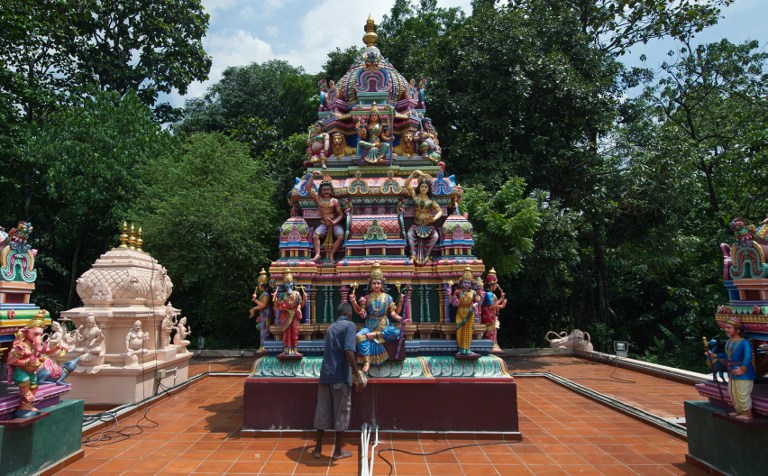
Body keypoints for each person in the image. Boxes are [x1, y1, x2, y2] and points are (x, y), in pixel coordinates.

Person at [312, 303, 365, 460]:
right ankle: (337, 451)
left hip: (325, 374)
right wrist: (357, 374)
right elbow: (349, 350)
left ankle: (317, 448)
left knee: (322, 410)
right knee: (341, 412)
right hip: (340, 375)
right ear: (349, 314)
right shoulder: (349, 325)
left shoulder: (331, 328)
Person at [349, 262, 404, 372]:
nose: (376, 285)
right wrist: (354, 302)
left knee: (396, 332)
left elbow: (393, 313)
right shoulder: (367, 297)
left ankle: (375, 335)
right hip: (369, 325)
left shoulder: (387, 297)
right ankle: (367, 361)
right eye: (374, 283)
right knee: (358, 336)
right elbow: (362, 314)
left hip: (384, 326)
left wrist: (400, 318)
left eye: (379, 283)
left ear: (382, 284)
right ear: (371, 284)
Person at [708, 315, 756, 420]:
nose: (726, 330)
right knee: (732, 393)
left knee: (742, 393)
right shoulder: (729, 342)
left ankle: (747, 413)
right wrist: (714, 355)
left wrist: (742, 368)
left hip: (744, 373)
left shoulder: (744, 342)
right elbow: (726, 356)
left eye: (729, 328)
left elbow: (748, 356)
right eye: (725, 327)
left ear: (737, 330)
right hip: (732, 372)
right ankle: (738, 411)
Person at [404, 170, 442, 265]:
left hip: (427, 225)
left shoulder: (430, 201)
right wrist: (414, 173)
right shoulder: (415, 196)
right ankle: (413, 255)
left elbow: (440, 211)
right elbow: (407, 184)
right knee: (409, 235)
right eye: (422, 186)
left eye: (425, 187)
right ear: (419, 187)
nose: (423, 188)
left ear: (428, 189)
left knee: (435, 236)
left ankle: (427, 255)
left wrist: (434, 219)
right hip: (416, 225)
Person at [307, 171, 344, 261]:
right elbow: (308, 188)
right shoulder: (318, 198)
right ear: (321, 190)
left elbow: (341, 215)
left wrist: (333, 222)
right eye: (324, 190)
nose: (326, 191)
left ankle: (332, 254)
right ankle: (318, 254)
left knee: (341, 236)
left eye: (328, 189)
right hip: (324, 223)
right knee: (315, 236)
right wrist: (312, 176)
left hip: (333, 223)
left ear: (331, 190)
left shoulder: (335, 201)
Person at [273, 269, 306, 357]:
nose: (288, 285)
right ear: (284, 285)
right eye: (286, 284)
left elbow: (300, 304)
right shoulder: (283, 295)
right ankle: (286, 350)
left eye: (290, 283)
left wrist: (300, 306)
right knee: (286, 332)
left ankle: (295, 350)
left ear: (292, 284)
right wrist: (275, 298)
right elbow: (277, 305)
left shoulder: (297, 293)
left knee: (294, 332)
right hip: (285, 315)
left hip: (294, 315)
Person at [451, 267, 481, 358]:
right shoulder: (457, 291)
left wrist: (477, 302)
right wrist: (454, 299)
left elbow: (477, 302)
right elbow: (453, 303)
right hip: (460, 313)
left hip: (470, 312)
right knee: (460, 330)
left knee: (468, 331)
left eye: (468, 282)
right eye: (465, 282)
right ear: (462, 282)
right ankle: (461, 349)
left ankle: (467, 349)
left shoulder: (473, 292)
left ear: (471, 283)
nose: (467, 284)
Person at [480, 268, 507, 355]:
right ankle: (490, 346)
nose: (496, 286)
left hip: (490, 315)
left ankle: (492, 346)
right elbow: (492, 305)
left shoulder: (490, 294)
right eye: (495, 285)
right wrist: (502, 304)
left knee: (493, 331)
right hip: (488, 316)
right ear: (491, 285)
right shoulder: (488, 294)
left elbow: (494, 304)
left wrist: (501, 300)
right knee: (490, 332)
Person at [249, 268, 273, 353]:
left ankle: (264, 346)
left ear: (262, 285)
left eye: (259, 284)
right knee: (262, 328)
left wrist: (255, 301)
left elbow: (263, 305)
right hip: (264, 313)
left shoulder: (266, 294)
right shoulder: (263, 294)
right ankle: (263, 346)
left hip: (267, 314)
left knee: (265, 330)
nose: (258, 286)